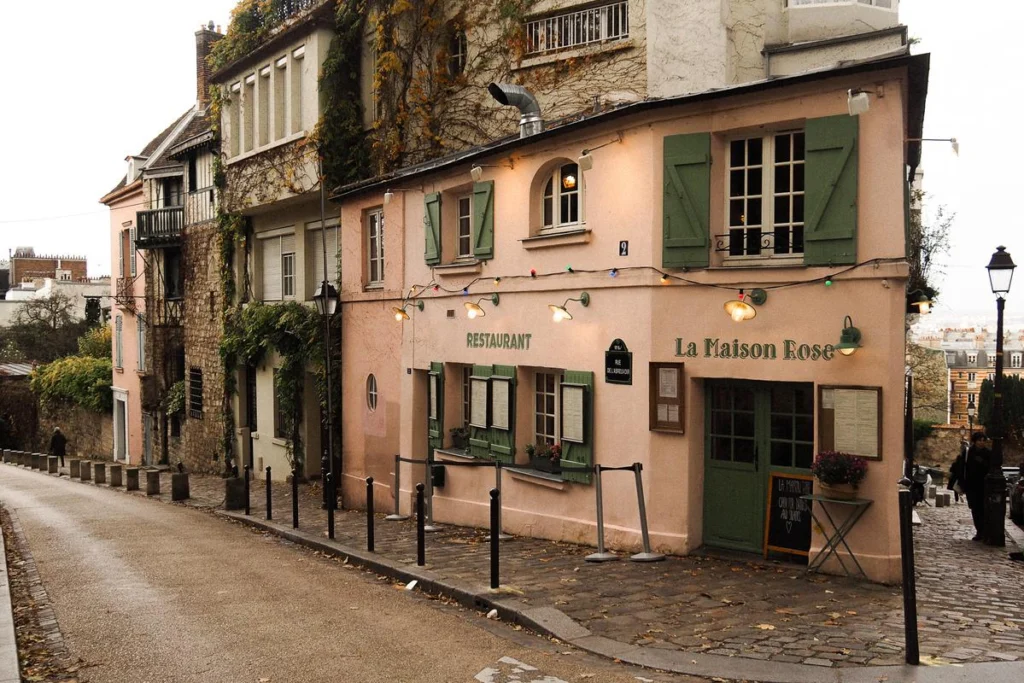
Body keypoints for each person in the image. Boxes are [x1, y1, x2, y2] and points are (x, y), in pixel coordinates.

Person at [962, 431, 992, 541]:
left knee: (984, 509)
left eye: (984, 441)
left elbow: (991, 467)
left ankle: (984, 531)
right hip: (972, 485)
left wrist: (982, 462)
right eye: (980, 440)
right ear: (975, 441)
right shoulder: (968, 452)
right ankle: (979, 531)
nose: (982, 443)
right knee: (975, 509)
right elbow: (964, 468)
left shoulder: (988, 453)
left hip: (984, 485)